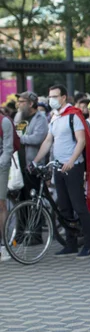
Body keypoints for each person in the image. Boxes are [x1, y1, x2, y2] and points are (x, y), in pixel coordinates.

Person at [32, 85, 90, 259]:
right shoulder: (54, 117)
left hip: (73, 166)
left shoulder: (73, 115)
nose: (51, 100)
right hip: (58, 167)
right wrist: (35, 160)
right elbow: (48, 141)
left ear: (64, 97)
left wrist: (71, 161)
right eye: (49, 96)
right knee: (64, 207)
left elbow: (81, 141)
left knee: (79, 206)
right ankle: (71, 244)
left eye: (54, 96)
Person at [0, 107, 14, 261]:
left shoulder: (4, 121)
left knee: (0, 204)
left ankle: (4, 245)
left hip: (1, 166)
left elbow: (8, 149)